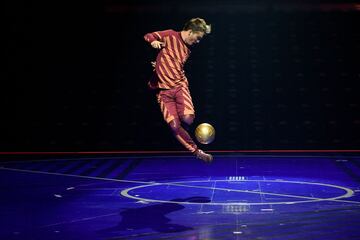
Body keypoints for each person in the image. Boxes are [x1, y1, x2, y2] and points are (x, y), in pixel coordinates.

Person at [144, 17, 213, 162]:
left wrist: (157, 63)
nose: (198, 41)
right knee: (174, 126)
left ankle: (185, 130)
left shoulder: (187, 49)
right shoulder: (170, 35)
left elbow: (169, 61)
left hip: (180, 86)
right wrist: (153, 41)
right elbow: (148, 36)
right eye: (198, 37)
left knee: (188, 119)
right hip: (163, 92)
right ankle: (197, 152)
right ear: (190, 31)